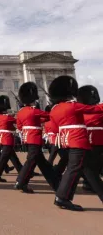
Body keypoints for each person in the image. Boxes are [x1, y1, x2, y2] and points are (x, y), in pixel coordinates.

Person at [49, 76, 103, 211]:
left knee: (79, 170)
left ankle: (62, 197)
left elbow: (55, 128)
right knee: (74, 170)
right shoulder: (73, 106)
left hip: (67, 141)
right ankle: (62, 197)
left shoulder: (55, 109)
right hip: (78, 141)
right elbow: (95, 109)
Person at [14, 82, 57, 193]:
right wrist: (55, 106)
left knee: (43, 164)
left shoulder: (21, 112)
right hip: (34, 138)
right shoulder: (34, 111)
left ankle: (56, 183)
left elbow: (19, 125)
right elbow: (49, 116)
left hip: (27, 138)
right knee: (31, 160)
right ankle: (21, 181)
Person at [77, 85, 103, 193]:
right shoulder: (98, 110)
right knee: (94, 165)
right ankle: (89, 183)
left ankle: (88, 183)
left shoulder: (81, 110)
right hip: (97, 139)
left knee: (92, 164)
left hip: (87, 139)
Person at [0, 95, 23, 182]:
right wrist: (22, 110)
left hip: (1, 138)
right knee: (4, 157)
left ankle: (21, 170)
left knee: (13, 156)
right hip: (7, 139)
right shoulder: (7, 117)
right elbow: (18, 121)